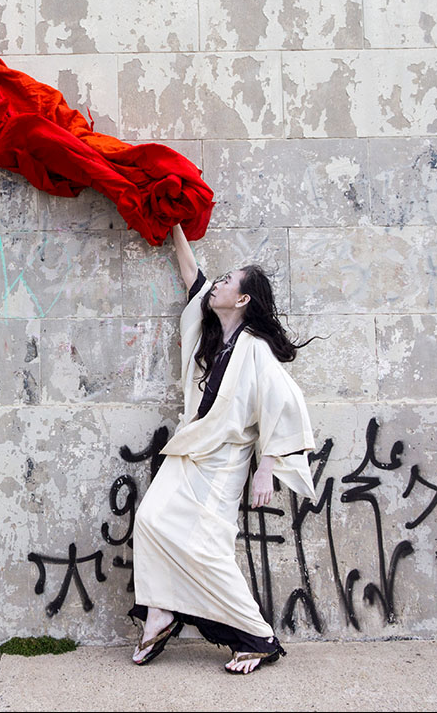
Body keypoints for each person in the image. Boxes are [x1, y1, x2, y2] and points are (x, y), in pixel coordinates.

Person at [128, 223, 318, 674]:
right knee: (152, 519)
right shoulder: (213, 337)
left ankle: (258, 637)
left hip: (224, 462)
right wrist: (172, 221)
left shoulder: (255, 348)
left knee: (208, 549)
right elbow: (193, 273)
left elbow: (283, 405)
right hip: (189, 448)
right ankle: (161, 611)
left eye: (228, 281)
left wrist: (266, 468)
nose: (218, 284)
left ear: (244, 299)